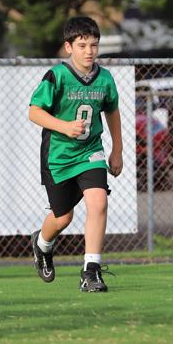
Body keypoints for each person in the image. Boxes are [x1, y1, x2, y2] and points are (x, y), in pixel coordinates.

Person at [28, 16, 122, 293]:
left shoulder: (105, 78)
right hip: (58, 156)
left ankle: (90, 271)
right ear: (68, 47)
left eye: (94, 45)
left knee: (98, 202)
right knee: (63, 218)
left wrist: (117, 150)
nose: (89, 51)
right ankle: (42, 244)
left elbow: (112, 111)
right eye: (82, 45)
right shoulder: (57, 76)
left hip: (90, 151)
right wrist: (64, 126)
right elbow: (34, 112)